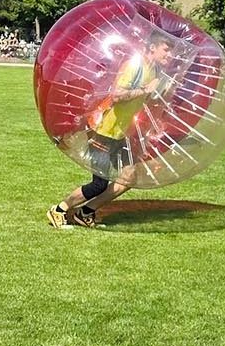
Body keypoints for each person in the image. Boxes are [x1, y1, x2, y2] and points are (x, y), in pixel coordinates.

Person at [47, 31, 176, 228]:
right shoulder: (136, 65)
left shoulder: (154, 71)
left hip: (121, 133)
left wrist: (164, 91)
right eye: (166, 50)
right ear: (152, 47)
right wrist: (145, 90)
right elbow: (117, 95)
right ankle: (59, 210)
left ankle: (86, 212)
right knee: (99, 184)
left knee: (129, 177)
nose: (170, 55)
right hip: (104, 130)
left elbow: (146, 100)